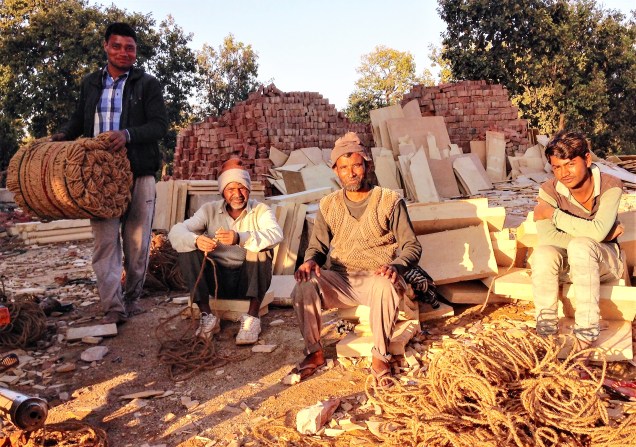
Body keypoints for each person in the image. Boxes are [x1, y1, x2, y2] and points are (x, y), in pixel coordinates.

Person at [51, 22, 168, 325]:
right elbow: (79, 119)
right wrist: (64, 134)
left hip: (138, 171)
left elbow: (159, 126)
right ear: (106, 46)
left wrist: (127, 134)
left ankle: (131, 297)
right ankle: (113, 307)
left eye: (129, 47)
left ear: (135, 51)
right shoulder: (91, 83)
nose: (123, 52)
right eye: (117, 46)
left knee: (137, 245)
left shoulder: (148, 84)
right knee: (104, 242)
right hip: (99, 177)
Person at [291, 132, 422, 384]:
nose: (351, 173)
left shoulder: (389, 201)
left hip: (376, 276)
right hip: (341, 279)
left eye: (356, 166)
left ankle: (380, 358)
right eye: (343, 168)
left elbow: (411, 246)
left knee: (386, 285)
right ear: (335, 171)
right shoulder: (328, 205)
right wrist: (310, 262)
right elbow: (316, 248)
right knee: (304, 286)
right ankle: (314, 353)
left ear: (366, 166)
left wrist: (397, 266)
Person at [168, 159, 283, 345]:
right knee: (188, 250)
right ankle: (207, 316)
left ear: (249, 189)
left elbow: (276, 234)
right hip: (217, 281)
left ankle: (253, 318)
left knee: (261, 250)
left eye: (242, 188)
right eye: (231, 189)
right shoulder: (209, 210)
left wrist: (239, 238)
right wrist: (196, 241)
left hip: (247, 281)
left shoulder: (260, 210)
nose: (237, 194)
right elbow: (176, 231)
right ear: (222, 191)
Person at [532, 130, 625, 352]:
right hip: (570, 265)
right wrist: (601, 233)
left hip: (606, 263)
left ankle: (586, 334)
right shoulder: (548, 191)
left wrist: (553, 215)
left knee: (582, 246)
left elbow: (597, 233)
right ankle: (545, 331)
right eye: (557, 167)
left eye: (570, 164)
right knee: (543, 253)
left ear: (587, 159)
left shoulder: (610, 186)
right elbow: (548, 237)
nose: (564, 173)